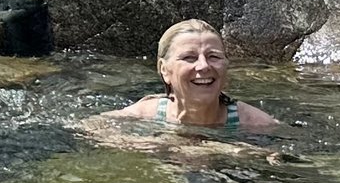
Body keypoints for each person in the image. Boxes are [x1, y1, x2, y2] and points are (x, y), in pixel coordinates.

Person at [99, 19, 283, 132]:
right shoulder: (144, 115)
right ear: (164, 70)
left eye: (214, 56)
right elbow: (89, 129)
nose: (203, 66)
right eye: (189, 57)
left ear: (226, 66)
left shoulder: (256, 124)